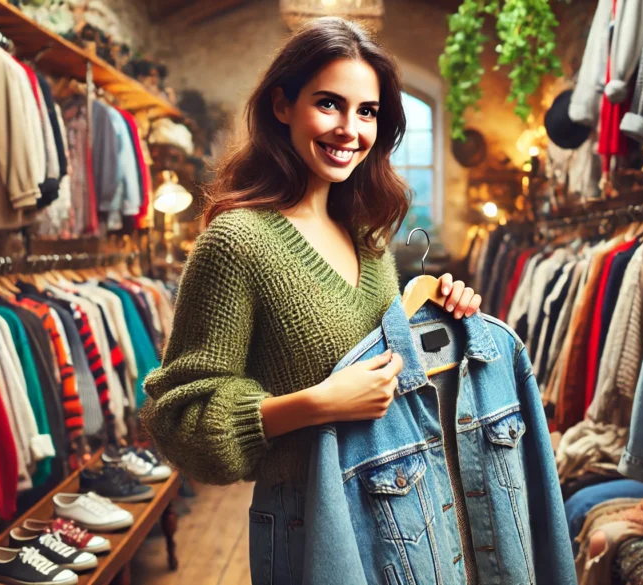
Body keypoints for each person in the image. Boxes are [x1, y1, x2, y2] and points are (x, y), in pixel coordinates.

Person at [141, 17, 482, 583]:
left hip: (405, 502)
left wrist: (442, 315)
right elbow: (178, 420)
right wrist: (315, 404)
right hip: (308, 525)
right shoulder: (236, 241)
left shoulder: (369, 238)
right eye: (329, 104)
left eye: (367, 112)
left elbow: (394, 371)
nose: (350, 129)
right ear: (282, 106)